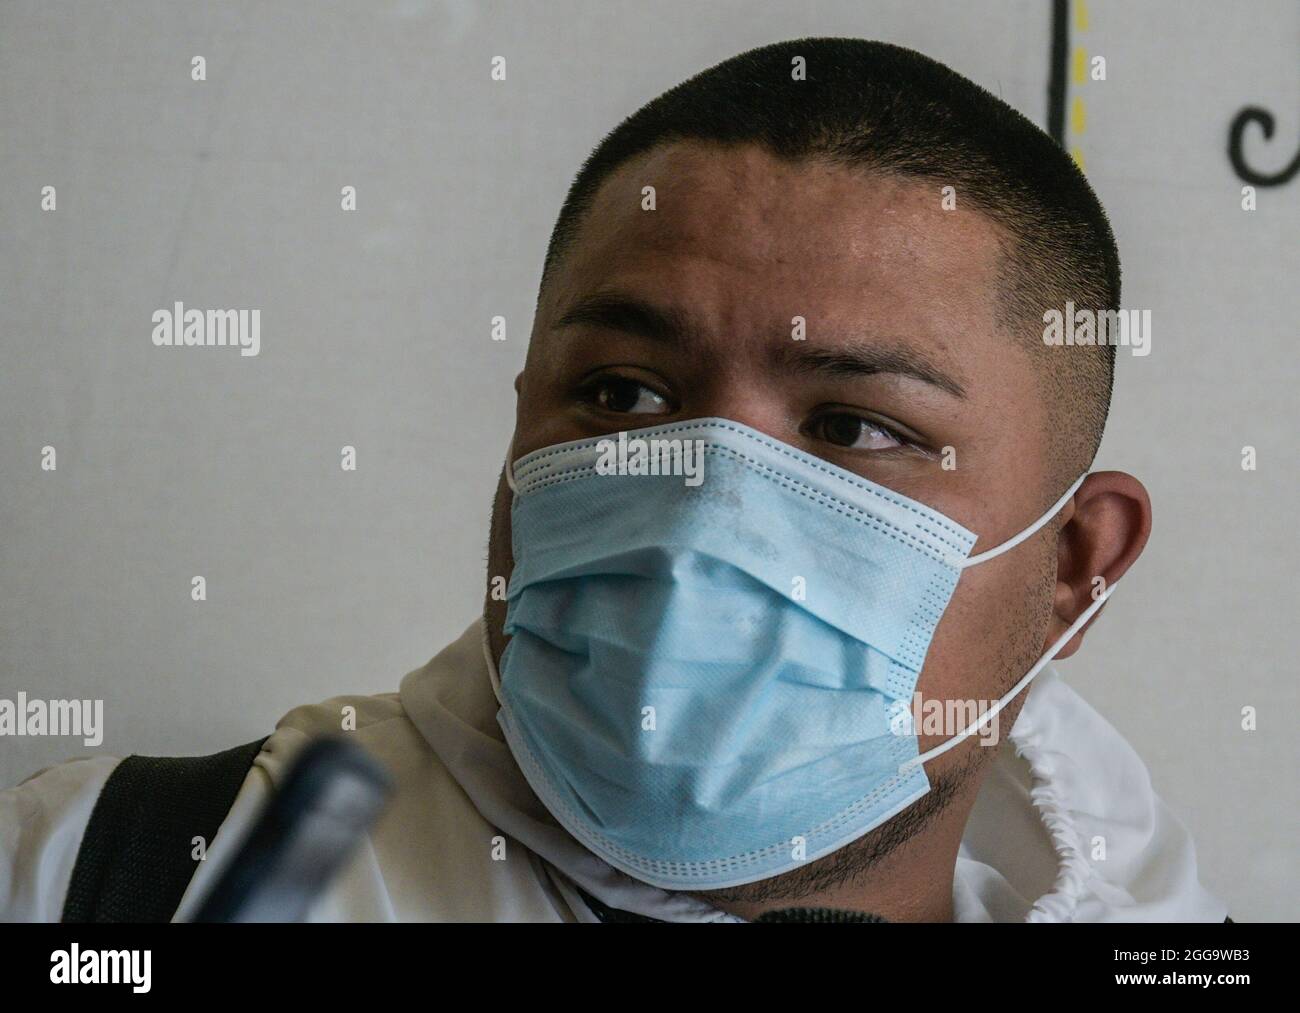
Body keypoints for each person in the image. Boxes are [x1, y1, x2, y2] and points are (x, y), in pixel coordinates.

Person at [1, 37, 1226, 923]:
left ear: (1073, 569)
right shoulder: (103, 884)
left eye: (855, 427)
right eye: (625, 395)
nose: (700, 514)